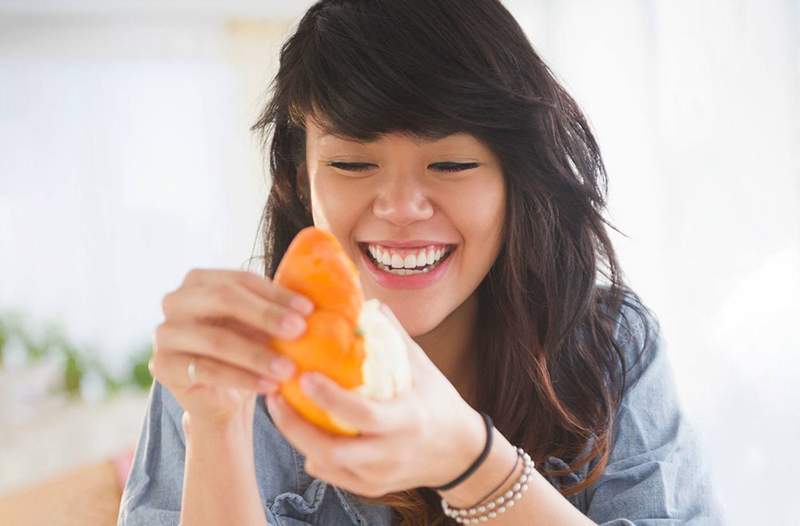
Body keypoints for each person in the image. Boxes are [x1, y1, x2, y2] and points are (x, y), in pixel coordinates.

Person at [117, 1, 724, 524]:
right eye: (352, 165)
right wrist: (218, 429)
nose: (401, 208)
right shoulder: (226, 366)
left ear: (518, 180)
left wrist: (471, 464)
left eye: (452, 165)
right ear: (299, 181)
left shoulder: (611, 345)